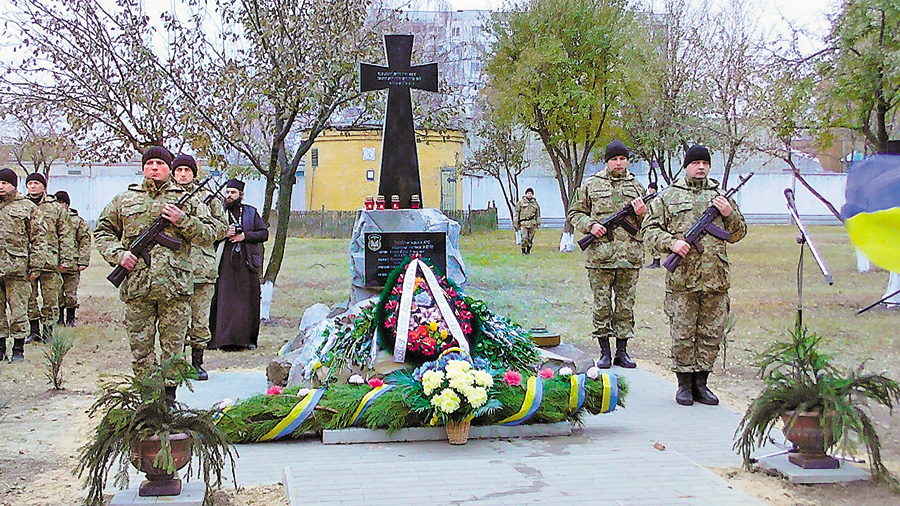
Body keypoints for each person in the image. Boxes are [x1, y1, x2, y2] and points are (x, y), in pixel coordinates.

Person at [94, 146, 217, 403]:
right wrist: (119, 255)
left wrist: (182, 220)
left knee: (173, 349)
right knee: (141, 349)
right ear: (143, 168)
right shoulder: (125, 200)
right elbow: (103, 231)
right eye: (149, 163)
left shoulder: (187, 199)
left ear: (169, 168)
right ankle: (148, 400)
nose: (154, 168)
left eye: (160, 164)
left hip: (175, 288)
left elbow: (210, 234)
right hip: (138, 287)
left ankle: (170, 399)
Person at [642, 144, 747, 406]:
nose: (701, 167)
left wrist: (728, 214)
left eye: (705, 163)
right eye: (696, 163)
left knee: (711, 334)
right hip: (683, 280)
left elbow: (738, 233)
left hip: (716, 279)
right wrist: (672, 243)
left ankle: (702, 383)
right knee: (683, 332)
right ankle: (684, 384)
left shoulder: (721, 196)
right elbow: (648, 231)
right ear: (686, 166)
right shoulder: (668, 197)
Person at [567, 140, 646, 369]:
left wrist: (641, 214)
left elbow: (650, 222)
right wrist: (590, 226)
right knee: (602, 306)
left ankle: (622, 352)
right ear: (607, 162)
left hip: (629, 257)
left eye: (622, 158)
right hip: (600, 257)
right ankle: (604, 352)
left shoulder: (637, 187)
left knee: (625, 306)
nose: (619, 163)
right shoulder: (591, 185)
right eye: (614, 159)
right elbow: (575, 213)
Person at [172, 154, 227, 380]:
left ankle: (197, 363)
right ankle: (175, 365)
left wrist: (201, 226)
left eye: (187, 170)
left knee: (199, 320)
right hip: (173, 268)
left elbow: (223, 228)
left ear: (194, 173)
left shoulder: (209, 197)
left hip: (202, 268)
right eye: (179, 170)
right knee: (174, 321)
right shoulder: (166, 196)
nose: (183, 174)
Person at [208, 179, 268, 351]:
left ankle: (245, 340)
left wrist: (244, 236)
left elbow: (263, 233)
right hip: (224, 263)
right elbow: (208, 234)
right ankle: (221, 340)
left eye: (233, 193)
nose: (229, 196)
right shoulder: (219, 213)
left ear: (241, 195)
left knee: (247, 300)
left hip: (246, 263)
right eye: (227, 193)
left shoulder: (250, 212)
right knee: (223, 300)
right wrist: (224, 233)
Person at [0, 168, 46, 362]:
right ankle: (1, 348)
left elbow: (39, 238)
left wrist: (35, 266)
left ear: (14, 185)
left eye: (5, 183)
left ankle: (18, 348)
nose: (1, 187)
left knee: (19, 311)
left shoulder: (26, 207)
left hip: (17, 269)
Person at [24, 173, 74, 343]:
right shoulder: (21, 206)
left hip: (50, 261)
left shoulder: (55, 207)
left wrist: (66, 260)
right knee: (29, 299)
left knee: (51, 299)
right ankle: (34, 331)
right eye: (30, 183)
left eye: (36, 183)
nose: (33, 186)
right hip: (27, 261)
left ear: (44, 186)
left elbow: (65, 234)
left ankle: (47, 331)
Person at [54, 191, 91, 326]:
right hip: (55, 263)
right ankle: (58, 319)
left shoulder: (76, 221)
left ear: (67, 204)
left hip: (73, 264)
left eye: (61, 203)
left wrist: (83, 261)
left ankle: (70, 318)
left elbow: (85, 241)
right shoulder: (51, 220)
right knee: (57, 294)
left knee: (70, 294)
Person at [513, 188, 541, 255]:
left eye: (531, 193)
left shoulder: (535, 203)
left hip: (532, 223)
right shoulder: (521, 202)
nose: (529, 195)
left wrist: (538, 223)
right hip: (524, 223)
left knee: (530, 238)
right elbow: (516, 212)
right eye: (528, 193)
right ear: (526, 194)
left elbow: (538, 214)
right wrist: (516, 222)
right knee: (524, 238)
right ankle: (523, 251)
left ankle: (528, 251)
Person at [645, 182, 661, 269]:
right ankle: (655, 260)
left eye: (652, 188)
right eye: (649, 188)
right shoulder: (648, 199)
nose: (650, 190)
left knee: (654, 241)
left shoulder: (658, 199)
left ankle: (657, 261)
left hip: (656, 222)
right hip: (648, 222)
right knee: (649, 242)